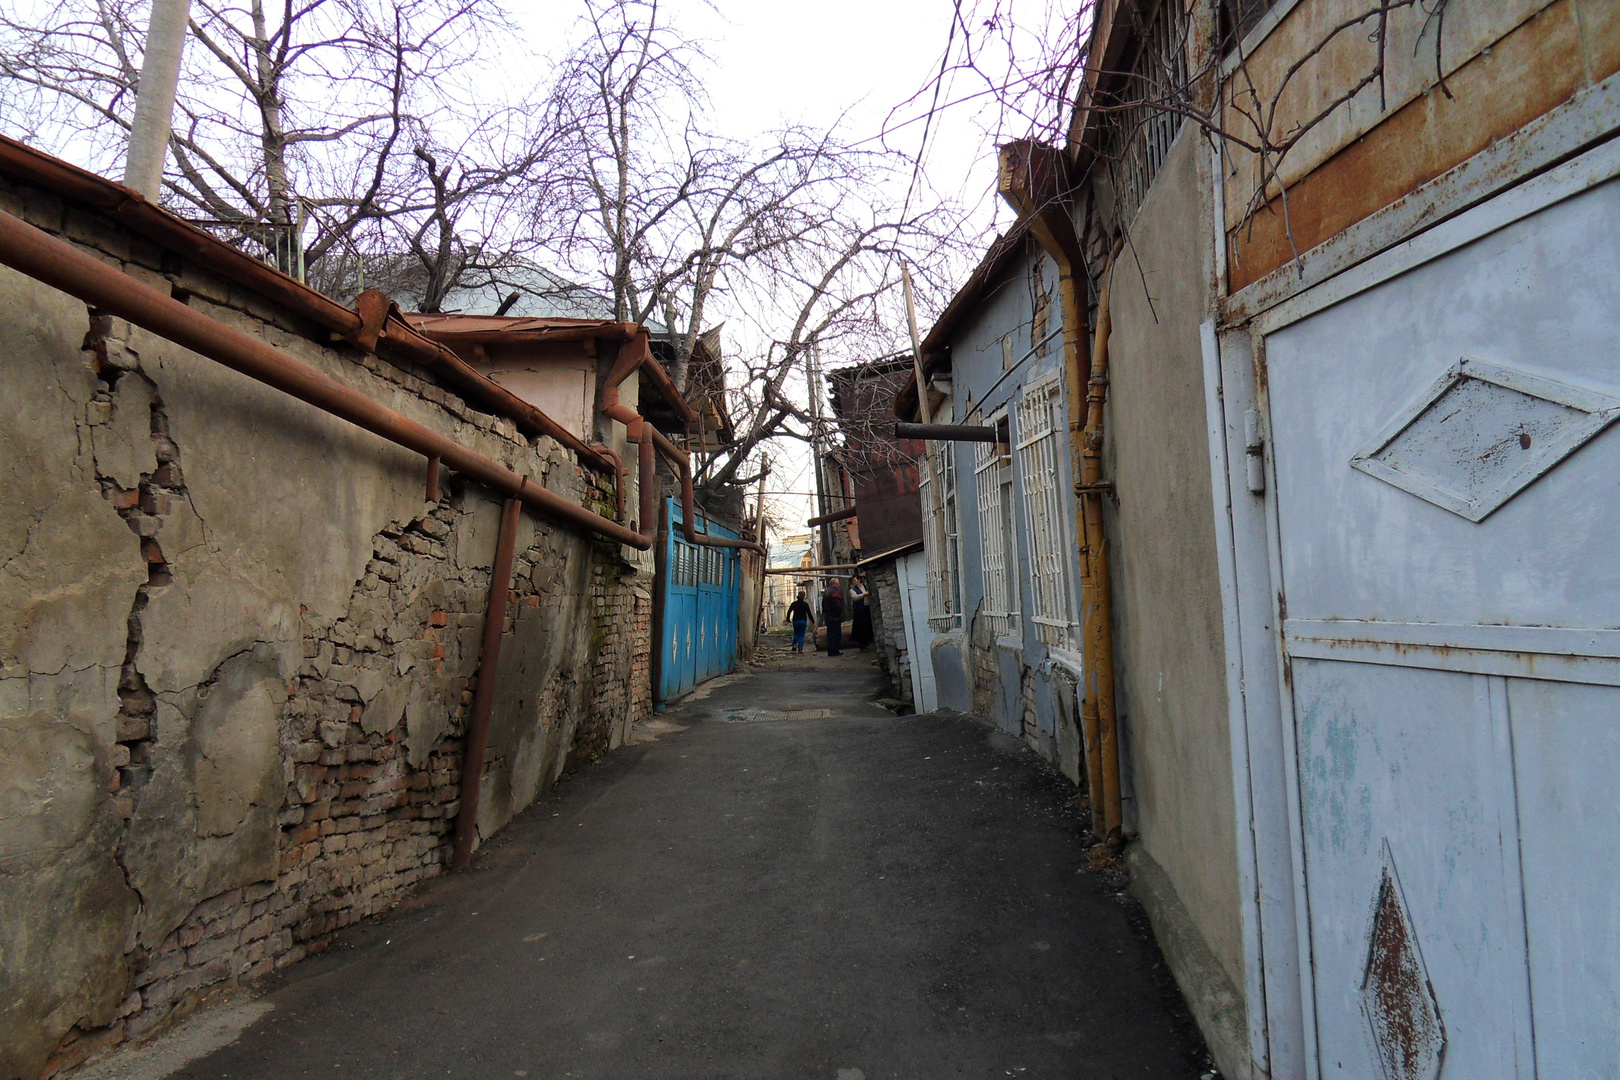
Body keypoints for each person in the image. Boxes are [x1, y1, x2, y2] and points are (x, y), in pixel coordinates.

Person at [849, 573, 873, 652]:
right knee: (860, 628)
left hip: (866, 608)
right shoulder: (852, 590)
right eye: (852, 581)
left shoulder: (865, 587)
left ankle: (868, 643)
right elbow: (855, 598)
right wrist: (864, 594)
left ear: (859, 580)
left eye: (854, 580)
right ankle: (862, 645)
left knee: (867, 627)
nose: (853, 582)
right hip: (859, 611)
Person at [822, 578, 845, 656]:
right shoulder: (834, 593)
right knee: (836, 633)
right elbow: (836, 605)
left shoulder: (826, 592)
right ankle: (835, 650)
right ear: (833, 584)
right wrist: (837, 615)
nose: (839, 585)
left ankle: (831, 650)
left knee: (830, 633)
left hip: (828, 615)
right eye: (837, 583)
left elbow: (823, 605)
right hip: (834, 615)